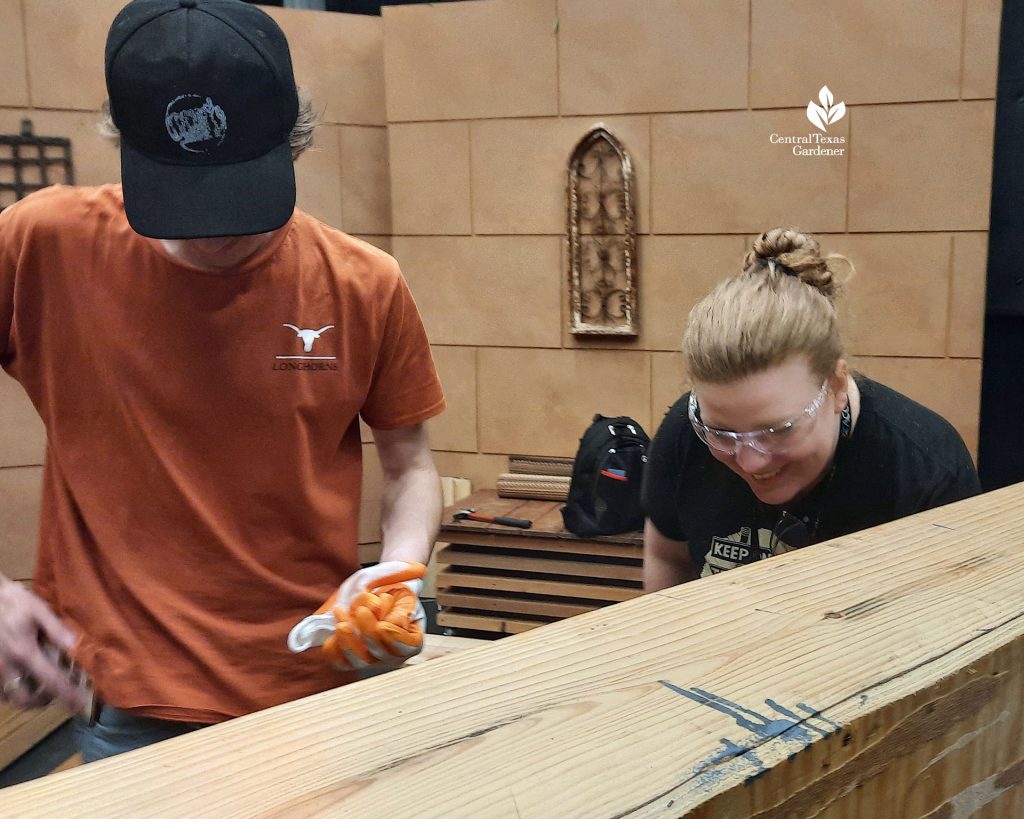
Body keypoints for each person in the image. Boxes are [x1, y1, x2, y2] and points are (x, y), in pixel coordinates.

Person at [0, 0, 445, 762]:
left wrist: (398, 569)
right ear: (126, 146)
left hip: (320, 688)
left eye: (239, 199)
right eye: (185, 201)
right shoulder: (42, 246)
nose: (216, 234)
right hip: (130, 712)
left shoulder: (364, 284)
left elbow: (409, 462)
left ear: (293, 142)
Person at [642, 228, 981, 590]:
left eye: (778, 429)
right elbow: (667, 558)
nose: (751, 461)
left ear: (835, 386)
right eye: (722, 433)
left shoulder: (927, 469)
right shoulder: (684, 432)